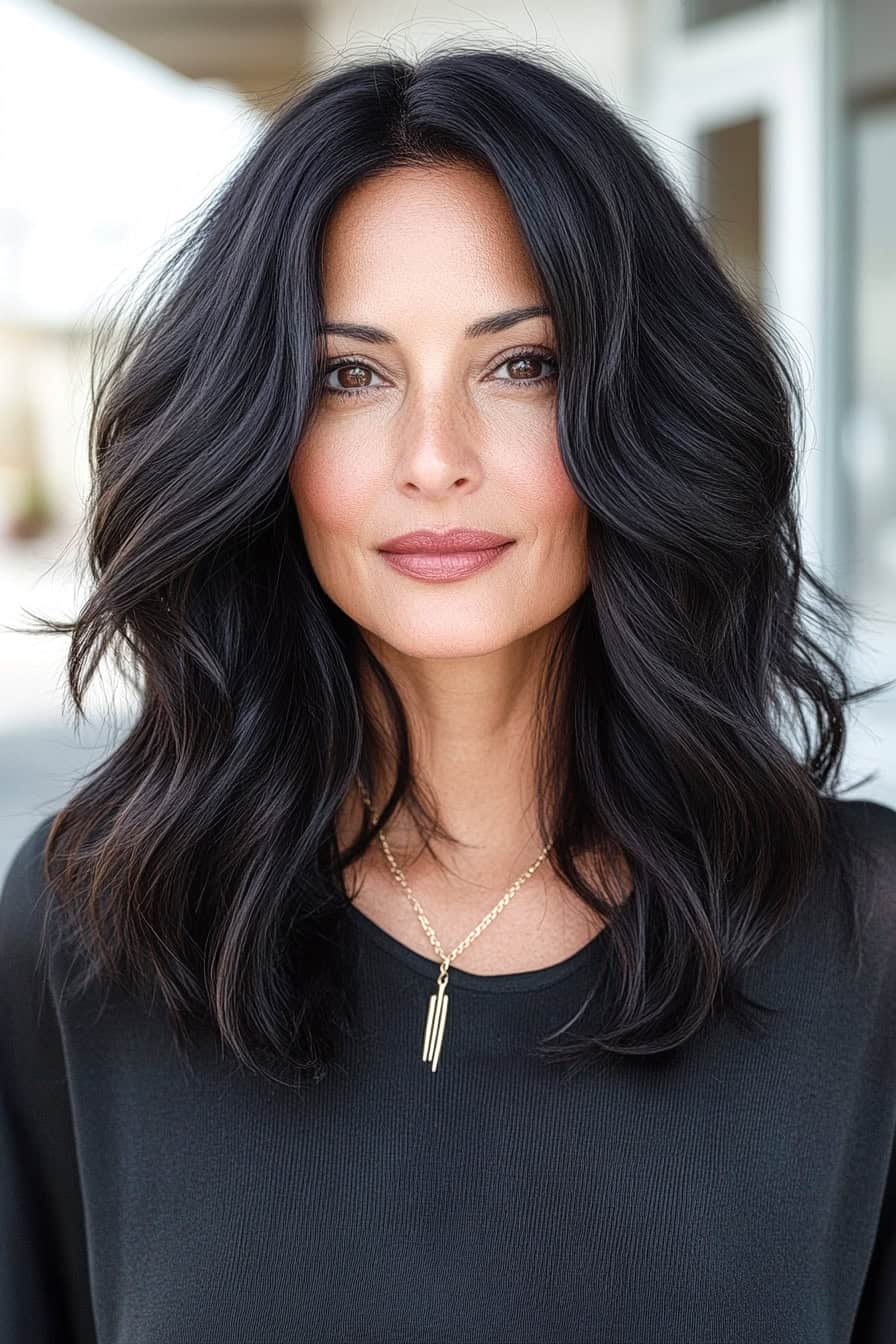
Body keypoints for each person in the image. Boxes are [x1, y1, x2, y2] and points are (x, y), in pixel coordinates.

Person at [1, 41, 895, 1344]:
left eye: (519, 363)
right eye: (349, 375)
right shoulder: (90, 932)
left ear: (637, 404)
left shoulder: (864, 947)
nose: (434, 459)